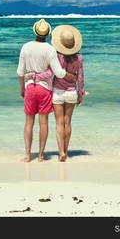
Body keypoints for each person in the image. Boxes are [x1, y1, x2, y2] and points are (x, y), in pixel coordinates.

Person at [17, 19, 76, 162]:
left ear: (35, 31)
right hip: (45, 89)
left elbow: (20, 72)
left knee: (29, 122)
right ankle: (41, 155)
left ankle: (28, 155)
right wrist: (71, 76)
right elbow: (59, 73)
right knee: (43, 122)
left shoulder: (25, 47)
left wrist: (22, 89)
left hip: (30, 87)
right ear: (48, 34)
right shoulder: (50, 49)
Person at [25, 25, 87, 162]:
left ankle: (61, 152)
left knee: (59, 123)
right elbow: (81, 76)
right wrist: (81, 93)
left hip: (57, 93)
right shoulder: (79, 57)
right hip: (71, 93)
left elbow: (50, 73)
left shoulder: (57, 56)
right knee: (68, 123)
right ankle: (66, 150)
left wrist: (34, 76)